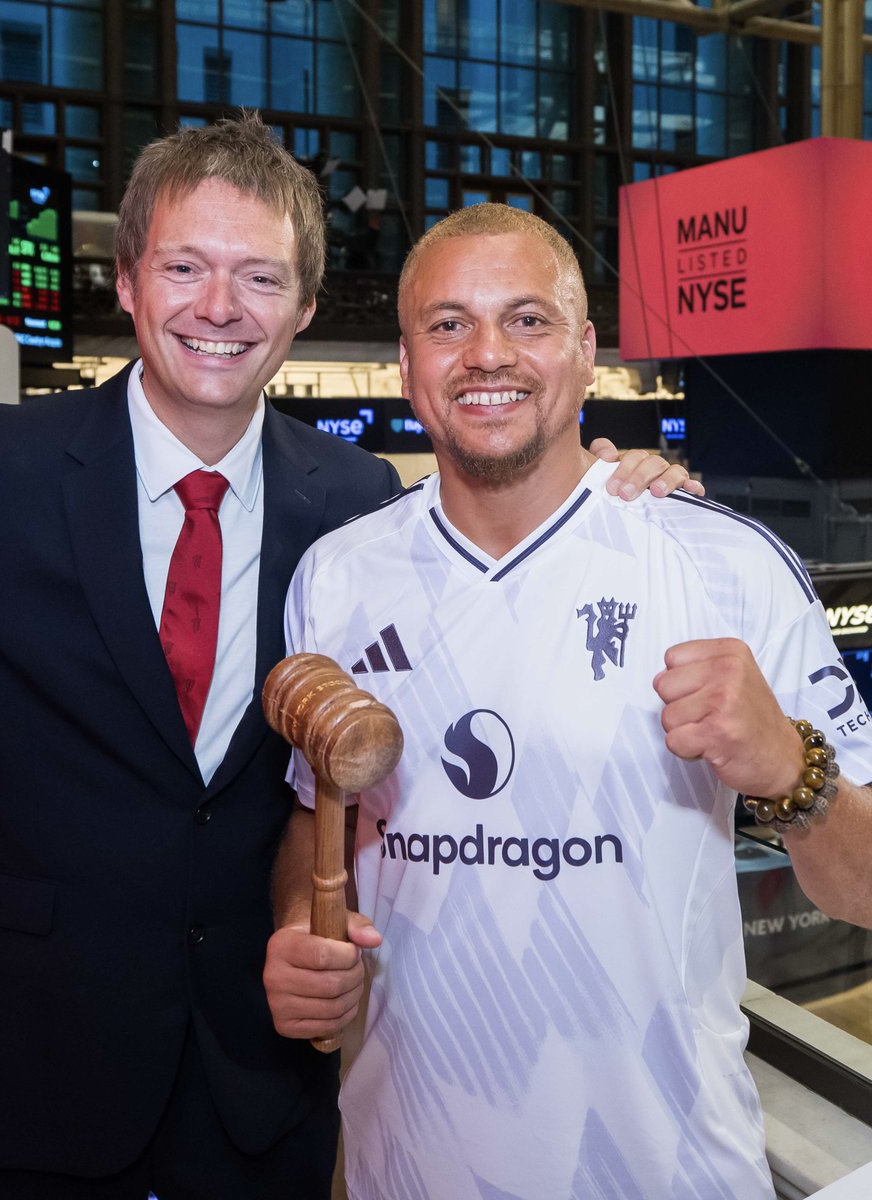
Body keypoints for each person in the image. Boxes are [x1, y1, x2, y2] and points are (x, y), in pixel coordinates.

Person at [0, 114, 693, 1199]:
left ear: (302, 309)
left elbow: (495, 660)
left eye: (259, 276)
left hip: (259, 1084)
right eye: (186, 267)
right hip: (27, 1074)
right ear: (126, 281)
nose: (219, 307)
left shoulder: (352, 504)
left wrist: (617, 504)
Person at [263, 202, 872, 1200]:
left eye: (528, 320)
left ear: (587, 352)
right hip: (401, 1172)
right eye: (448, 324)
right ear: (409, 363)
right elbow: (311, 815)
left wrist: (790, 770)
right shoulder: (337, 578)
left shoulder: (724, 568)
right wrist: (297, 924)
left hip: (669, 1173)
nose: (488, 353)